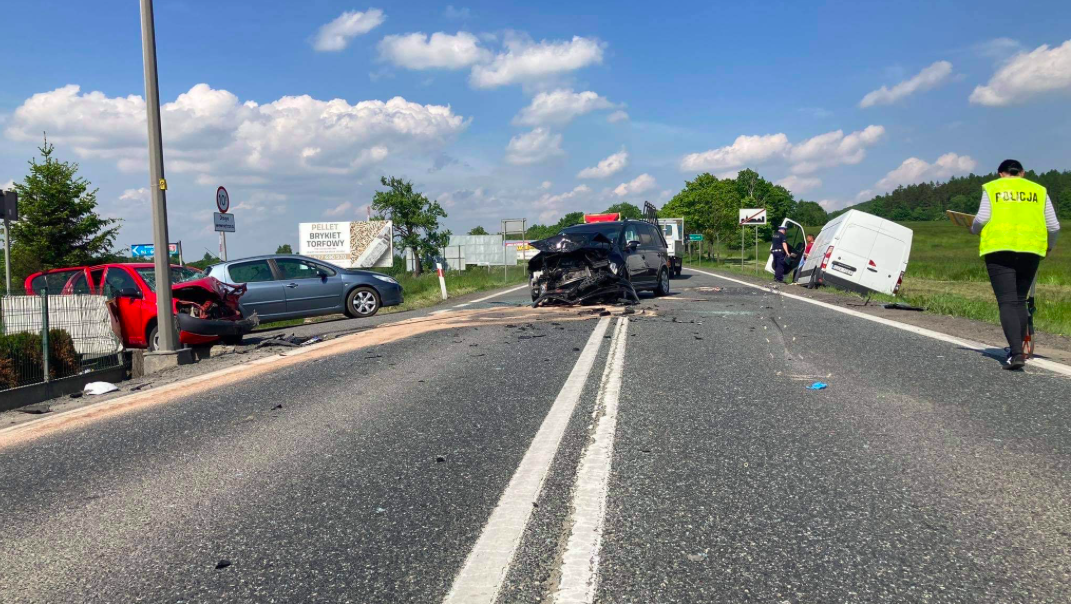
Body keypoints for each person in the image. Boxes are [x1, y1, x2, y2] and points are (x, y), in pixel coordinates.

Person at [971, 159, 1060, 370]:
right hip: (1031, 250)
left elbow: (982, 218)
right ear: (1023, 173)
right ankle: (1018, 349)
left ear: (1000, 174)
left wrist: (974, 230)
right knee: (1020, 300)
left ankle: (1016, 353)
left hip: (999, 249)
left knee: (1007, 302)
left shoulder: (993, 187)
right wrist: (1049, 247)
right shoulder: (1038, 190)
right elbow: (1054, 226)